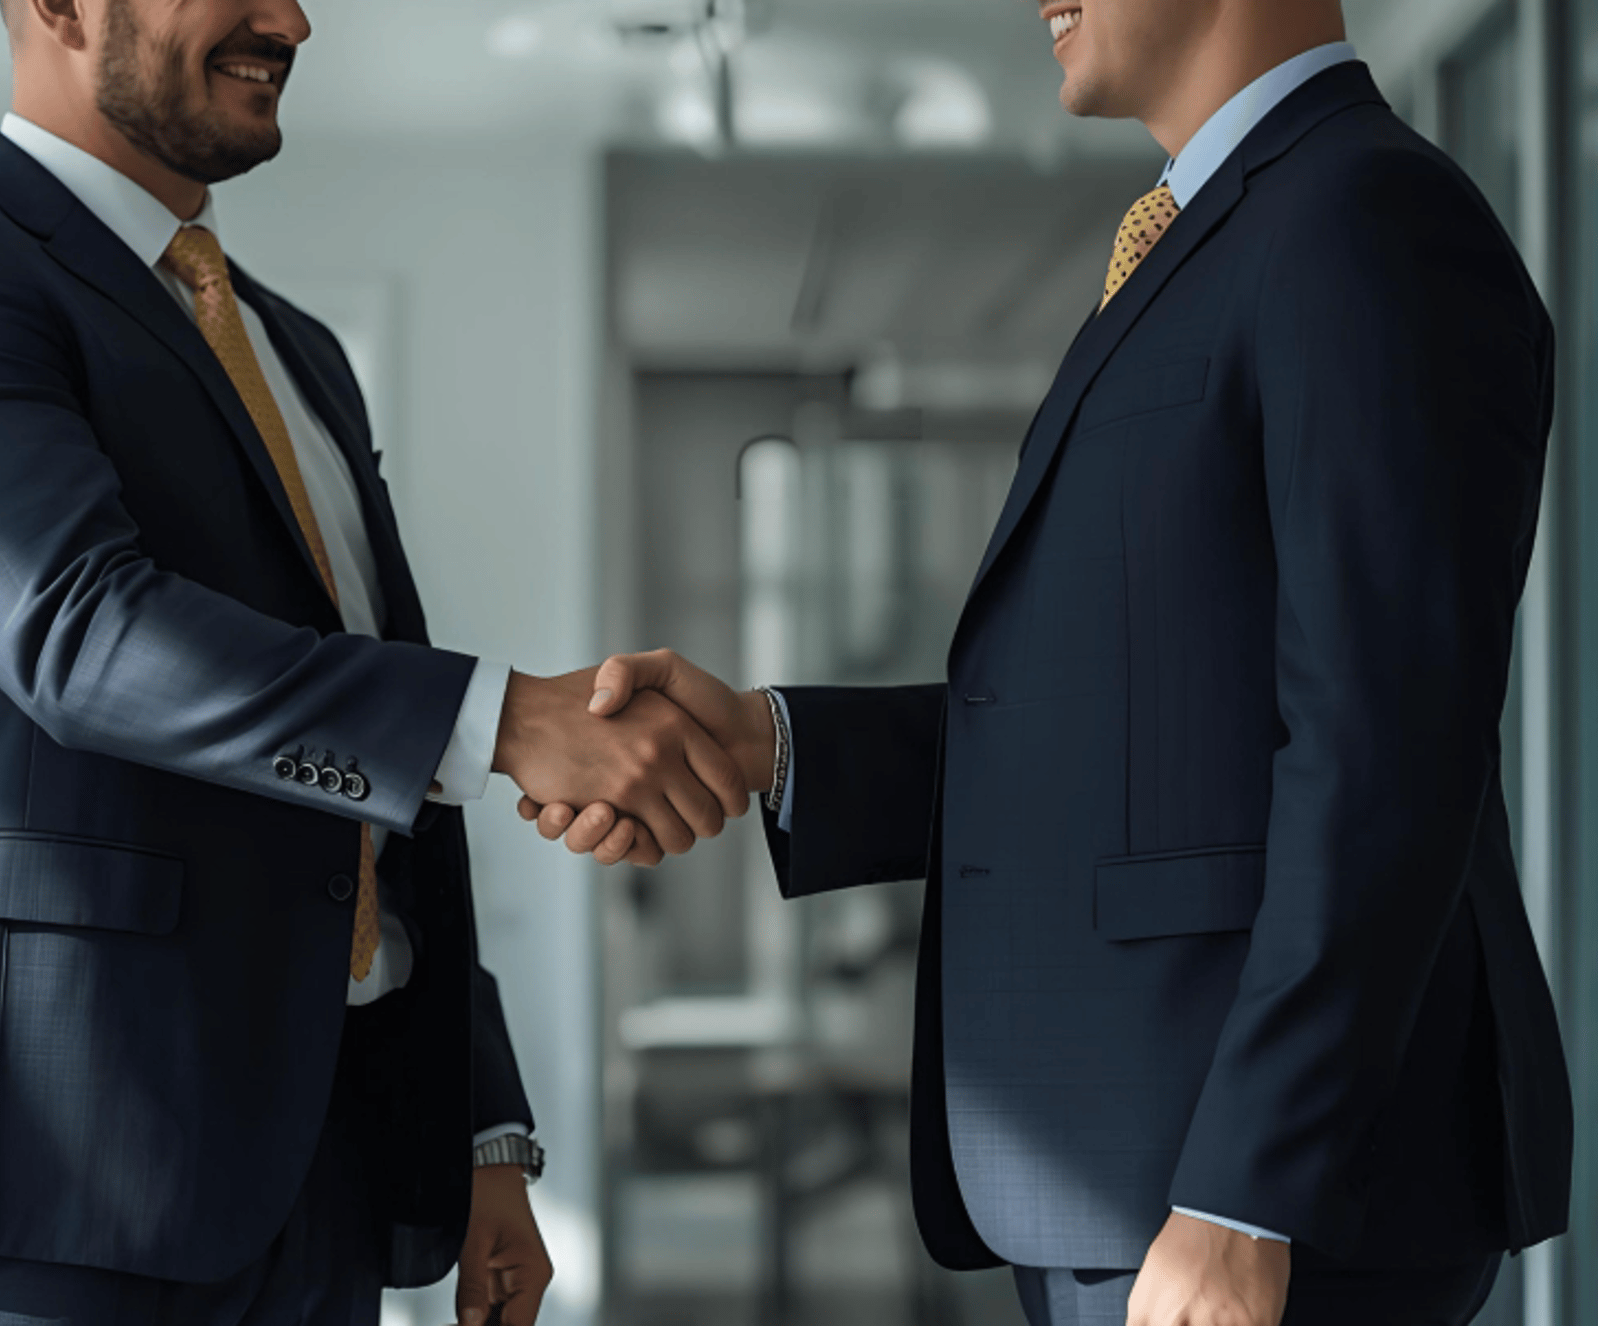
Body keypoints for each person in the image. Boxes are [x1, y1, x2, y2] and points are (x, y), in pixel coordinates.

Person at [528, 1, 1574, 1322]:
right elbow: (1132, 724)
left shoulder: (1369, 219)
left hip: (1252, 1202)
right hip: (1143, 1173)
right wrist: (770, 744)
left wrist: (1246, 1194)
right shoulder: (1222, 231)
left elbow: (1386, 751)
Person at [0, 0, 748, 1321]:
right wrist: (511, 721)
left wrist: (482, 1128)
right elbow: (80, 630)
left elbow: (367, 780)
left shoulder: (295, 351)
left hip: (318, 1182)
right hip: (45, 1188)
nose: (289, 18)